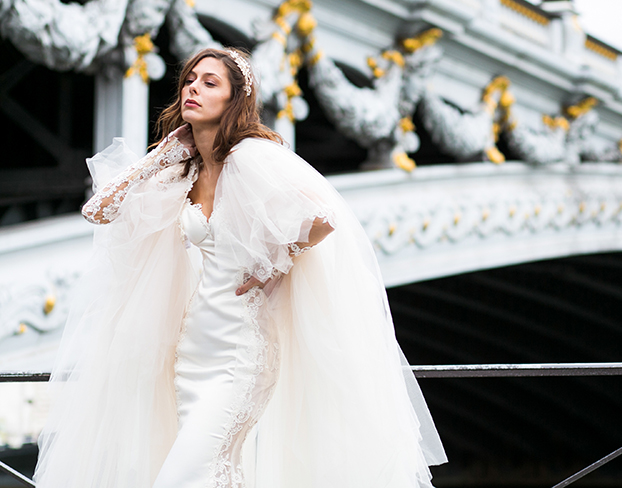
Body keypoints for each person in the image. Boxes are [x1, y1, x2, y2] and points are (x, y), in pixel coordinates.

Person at [34, 47, 446, 488]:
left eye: (210, 82)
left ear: (234, 101)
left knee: (180, 479)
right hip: (192, 351)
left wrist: (277, 261)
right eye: (190, 79)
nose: (193, 87)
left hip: (239, 354)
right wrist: (161, 156)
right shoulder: (184, 170)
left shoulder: (250, 157)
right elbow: (98, 210)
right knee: (217, 475)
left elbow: (325, 218)